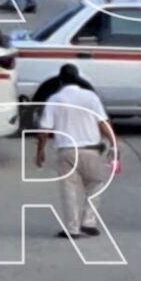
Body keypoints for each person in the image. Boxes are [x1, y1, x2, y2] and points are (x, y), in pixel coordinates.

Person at [31, 68, 114, 239]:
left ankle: (72, 229)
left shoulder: (55, 99)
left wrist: (40, 151)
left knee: (69, 190)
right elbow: (103, 122)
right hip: (91, 150)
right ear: (77, 79)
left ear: (60, 81)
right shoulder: (91, 97)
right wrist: (114, 142)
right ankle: (89, 222)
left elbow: (44, 130)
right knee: (95, 185)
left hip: (66, 151)